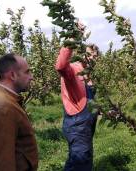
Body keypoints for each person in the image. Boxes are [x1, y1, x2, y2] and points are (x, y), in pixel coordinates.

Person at [0, 53, 38, 171]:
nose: (31, 77)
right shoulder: (1, 107)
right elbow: (2, 164)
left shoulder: (6, 101)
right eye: (27, 72)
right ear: (13, 75)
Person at [55, 43, 100, 171]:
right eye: (89, 54)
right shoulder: (74, 70)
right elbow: (61, 66)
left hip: (87, 126)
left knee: (80, 160)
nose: (92, 58)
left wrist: (100, 111)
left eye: (95, 56)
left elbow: (88, 99)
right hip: (77, 125)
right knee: (80, 163)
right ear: (80, 55)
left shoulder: (88, 75)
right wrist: (71, 40)